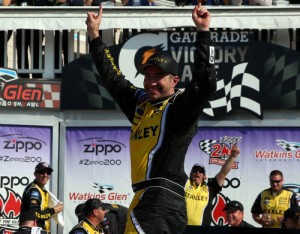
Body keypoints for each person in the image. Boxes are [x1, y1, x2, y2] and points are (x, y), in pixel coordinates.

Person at [85, 3, 216, 233]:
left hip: (161, 197)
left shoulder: (179, 107)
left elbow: (205, 81)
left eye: (159, 76)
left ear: (175, 81)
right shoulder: (141, 104)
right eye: (147, 75)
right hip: (149, 197)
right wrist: (95, 35)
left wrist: (203, 33)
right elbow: (112, 77)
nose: (151, 81)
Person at [185, 145, 240, 226]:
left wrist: (232, 157)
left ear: (204, 176)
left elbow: (223, 173)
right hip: (181, 228)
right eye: (195, 171)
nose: (197, 173)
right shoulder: (184, 184)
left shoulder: (209, 188)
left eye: (200, 171)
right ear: (190, 174)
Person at [20, 162, 63, 232]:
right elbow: (35, 214)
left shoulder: (42, 189)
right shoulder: (34, 190)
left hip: (40, 230)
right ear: (35, 174)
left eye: (48, 173)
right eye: (42, 172)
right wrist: (53, 210)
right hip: (33, 231)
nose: (45, 175)